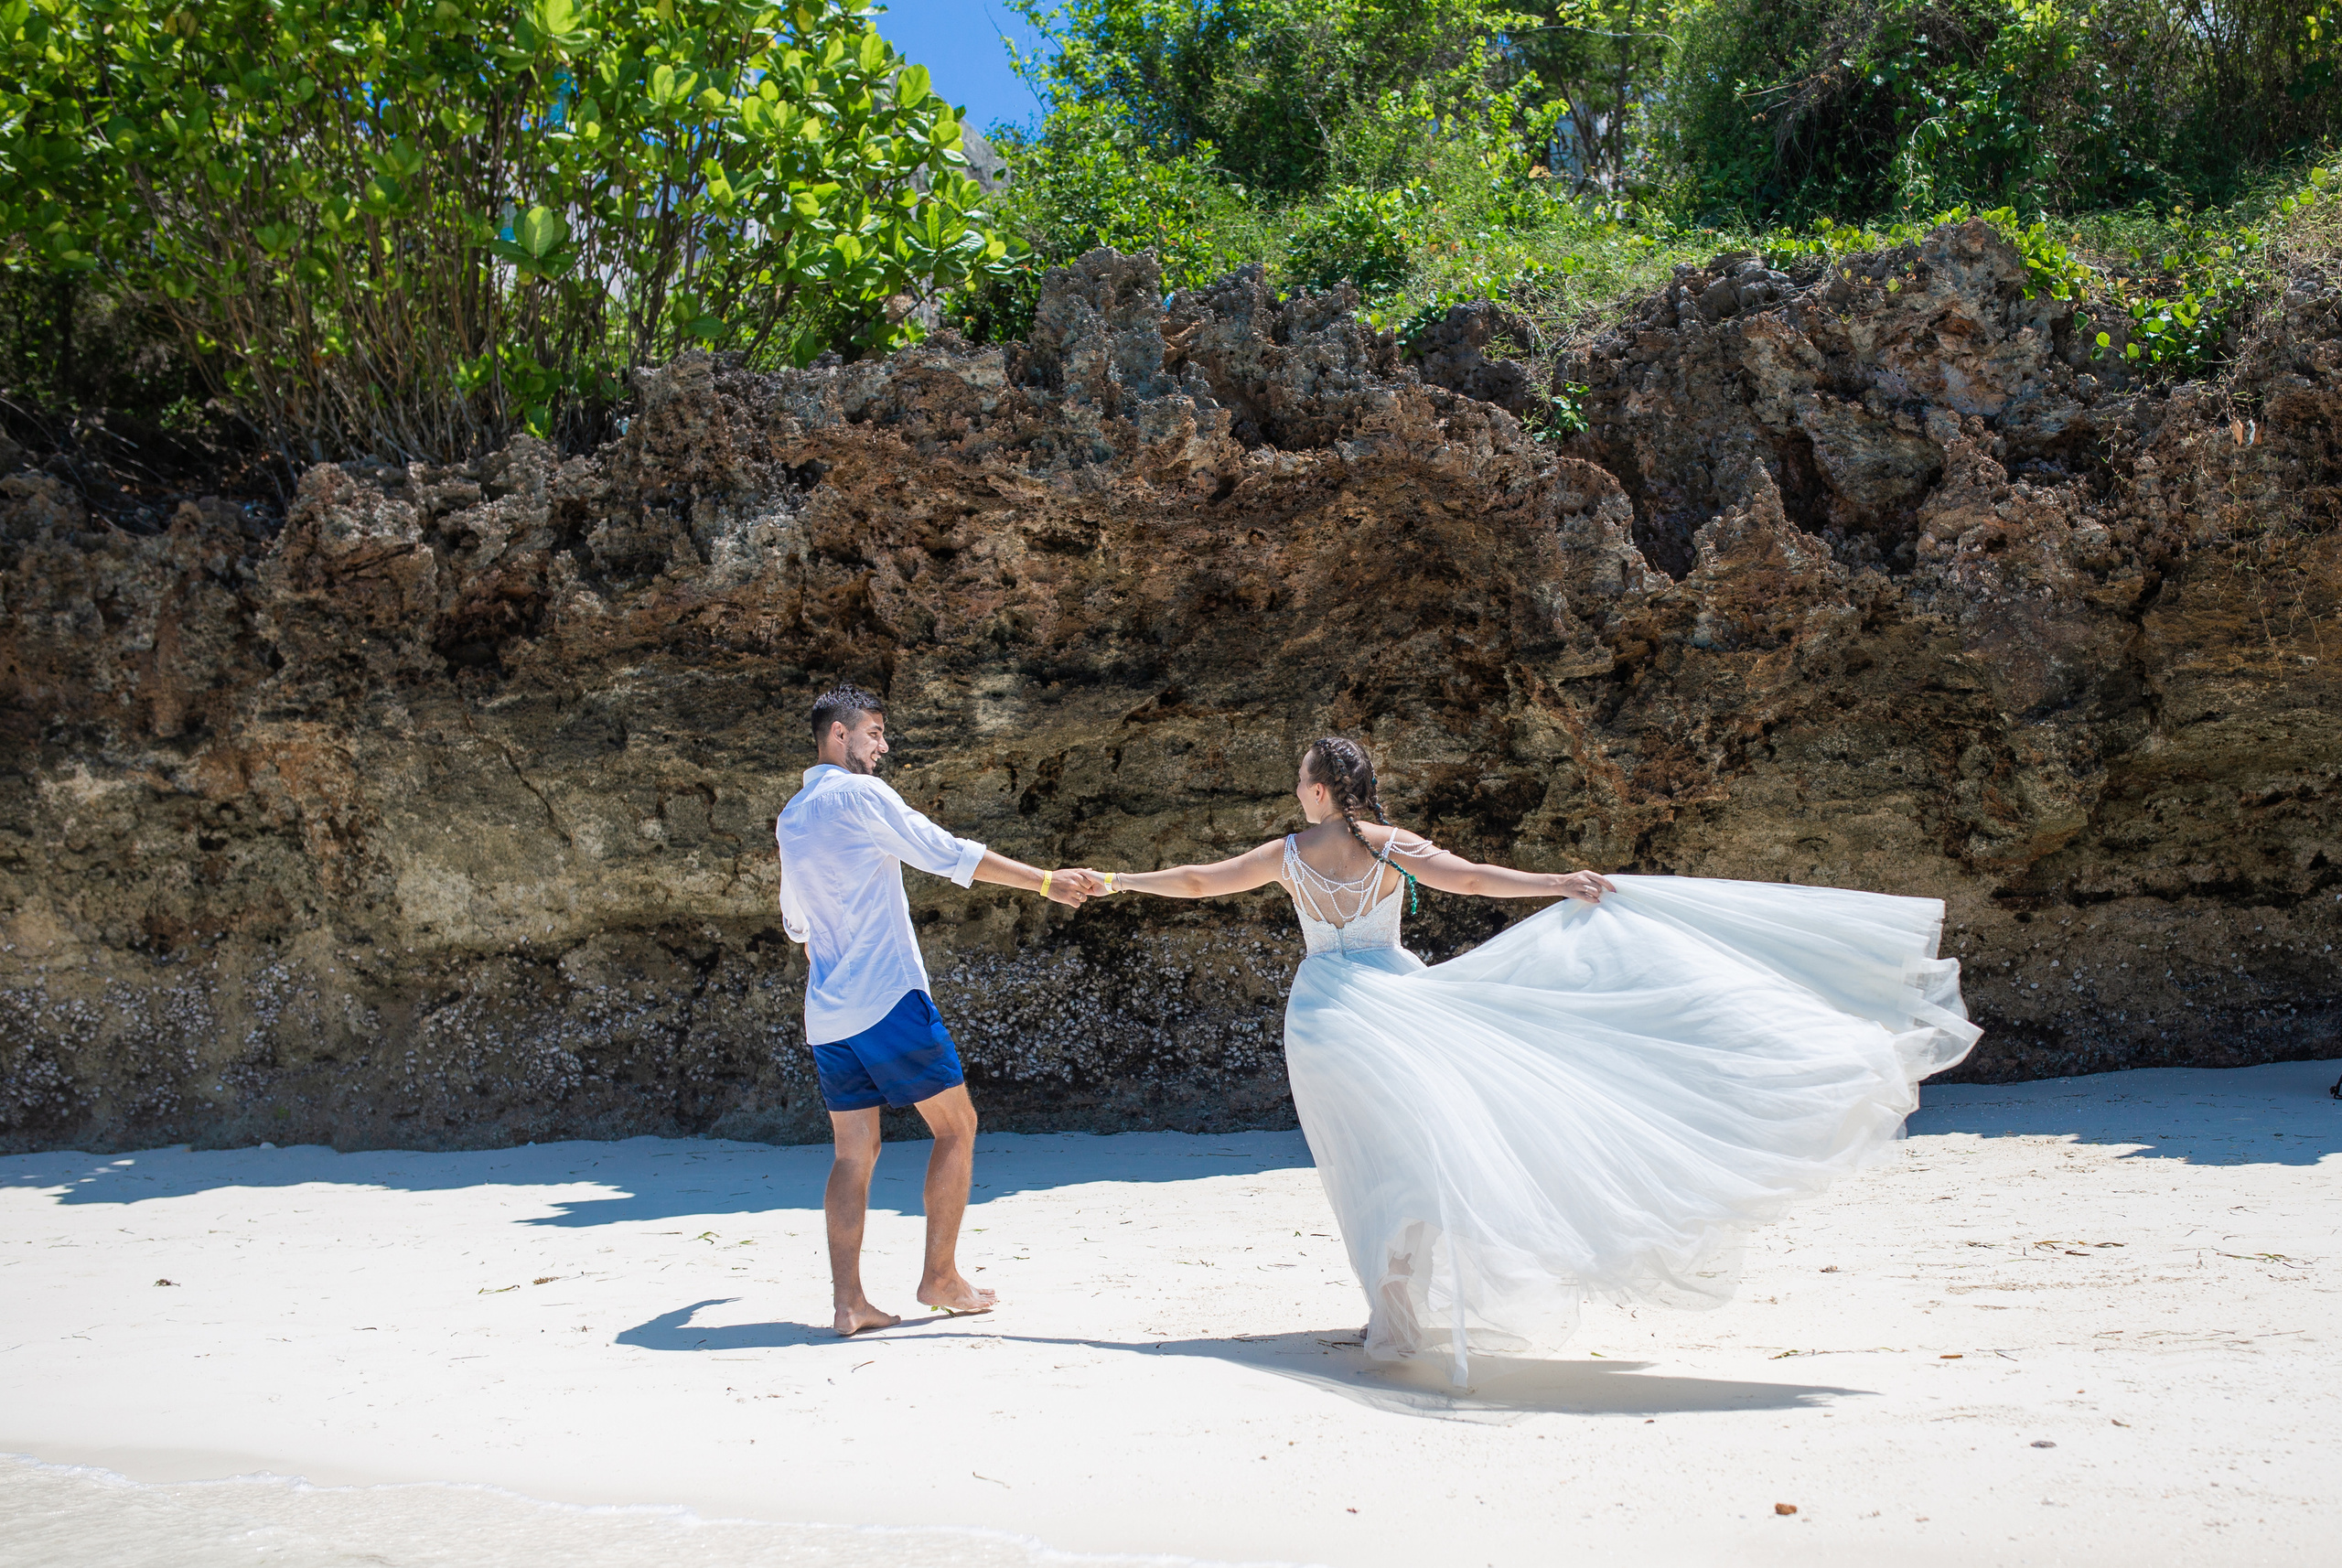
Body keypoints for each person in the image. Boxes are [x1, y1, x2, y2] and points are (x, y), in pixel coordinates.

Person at [1078, 736, 1978, 1385]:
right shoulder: (1395, 848)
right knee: (1418, 1152)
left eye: (1304, 784)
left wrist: (1113, 880)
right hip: (1402, 996)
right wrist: (1558, 882)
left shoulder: (1292, 852)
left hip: (1327, 1015)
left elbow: (1195, 880)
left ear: (1318, 791)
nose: (1302, 794)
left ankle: (1390, 1318)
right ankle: (1399, 1310)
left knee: (1364, 1163)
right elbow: (1473, 877)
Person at [777, 684, 1100, 1337]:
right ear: (838, 736)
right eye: (873, 733)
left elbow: (796, 924)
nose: (883, 745)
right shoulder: (859, 795)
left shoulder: (793, 814)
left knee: (852, 1153)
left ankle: (849, 1304)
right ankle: (941, 1277)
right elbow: (944, 851)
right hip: (888, 998)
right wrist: (1044, 880)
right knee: (956, 1126)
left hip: (830, 1013)